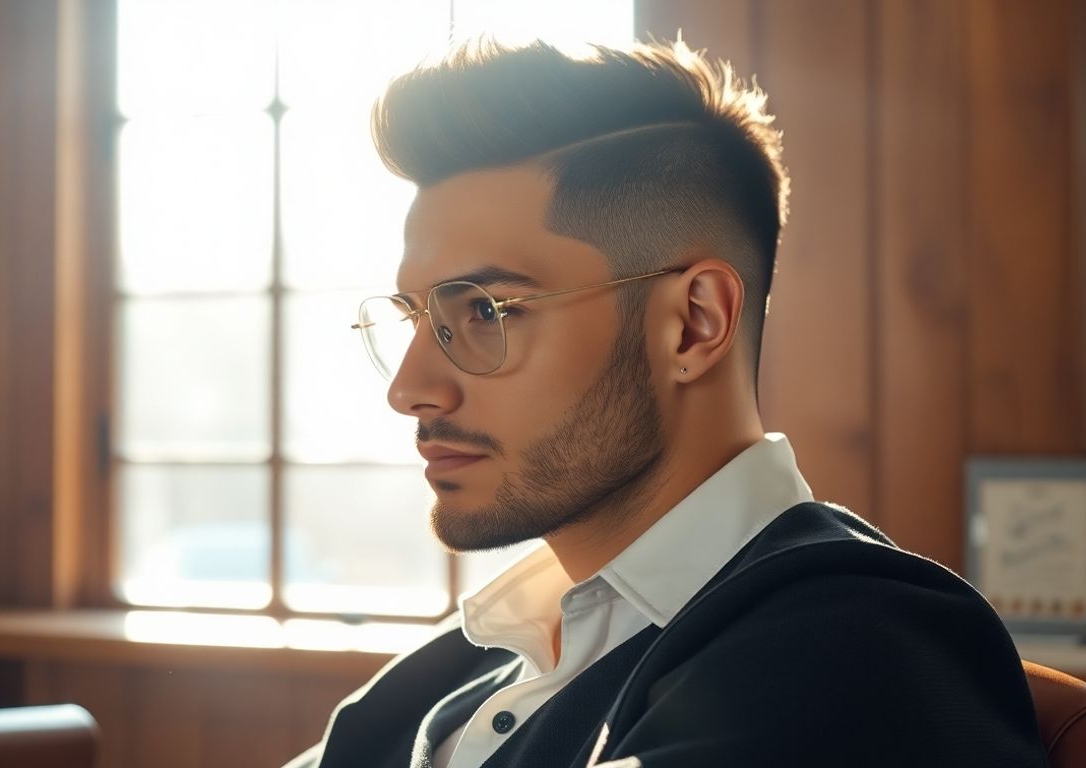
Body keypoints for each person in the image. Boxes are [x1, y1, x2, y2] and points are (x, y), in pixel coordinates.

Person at [285, 38, 1045, 768]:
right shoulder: (466, 658)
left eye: (485, 311)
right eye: (419, 319)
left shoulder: (859, 646)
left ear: (693, 323)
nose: (410, 389)